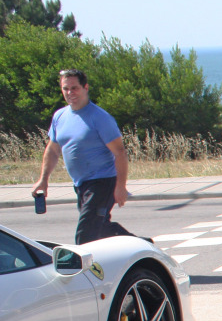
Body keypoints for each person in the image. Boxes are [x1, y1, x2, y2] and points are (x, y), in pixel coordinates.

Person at [31, 68, 140, 244]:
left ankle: (80, 267)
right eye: (65, 88)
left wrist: (121, 186)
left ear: (85, 88)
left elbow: (119, 152)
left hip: (102, 182)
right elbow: (52, 150)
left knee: (86, 232)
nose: (69, 93)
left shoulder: (100, 117)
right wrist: (43, 179)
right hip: (81, 184)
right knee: (101, 228)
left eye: (74, 88)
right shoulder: (60, 116)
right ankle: (141, 246)